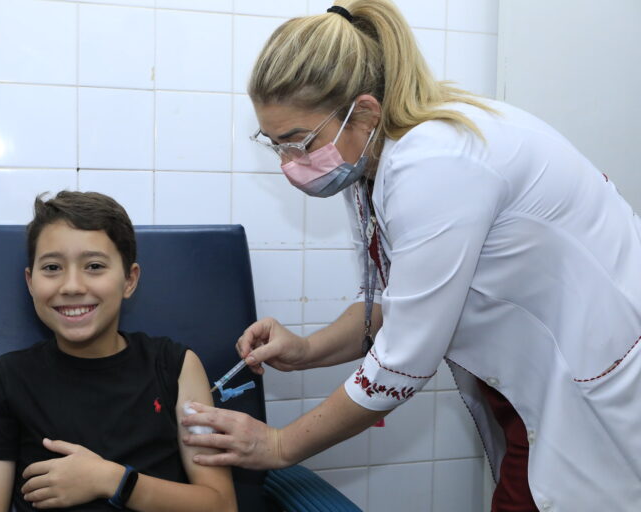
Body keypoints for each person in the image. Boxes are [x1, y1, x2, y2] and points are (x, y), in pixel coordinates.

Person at [181, 1, 641, 511]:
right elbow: (389, 299)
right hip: (536, 387)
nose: (290, 164)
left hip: (597, 377)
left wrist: (279, 445)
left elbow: (404, 357)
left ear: (365, 111)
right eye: (275, 145)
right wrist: (309, 350)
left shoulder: (436, 162)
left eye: (299, 142)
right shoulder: (372, 162)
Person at [0, 191, 237, 512]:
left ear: (129, 280)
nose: (72, 286)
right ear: (31, 282)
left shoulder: (175, 366)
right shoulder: (9, 378)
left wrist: (114, 481)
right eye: (52, 267)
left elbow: (221, 505)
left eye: (93, 265)